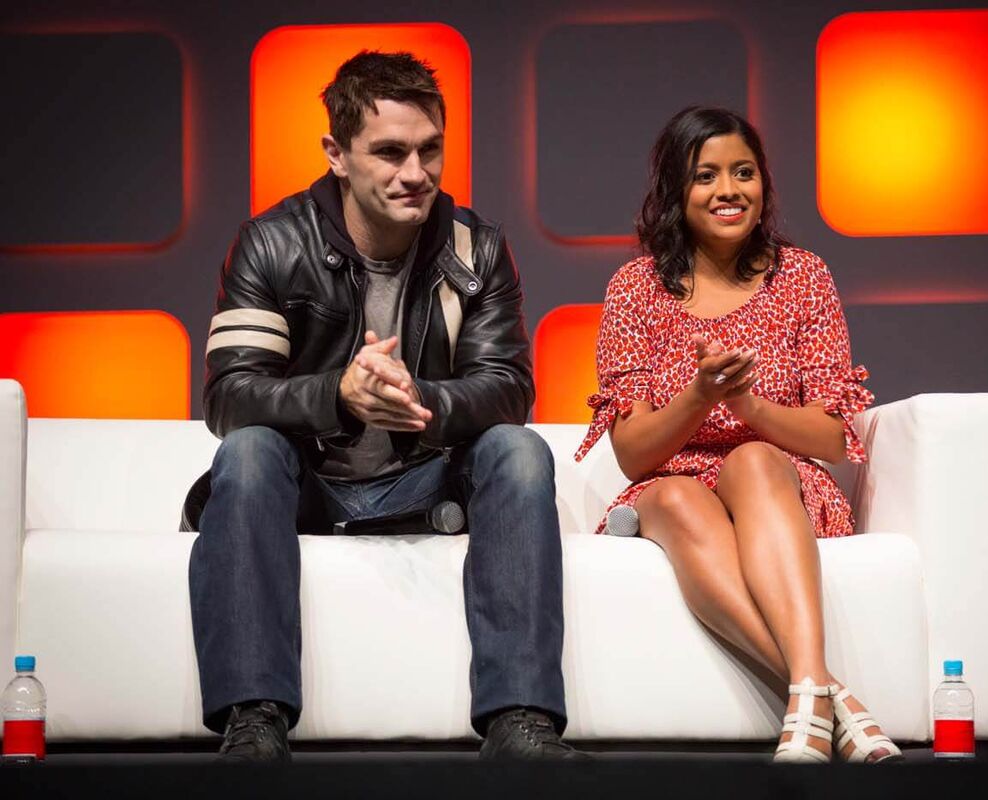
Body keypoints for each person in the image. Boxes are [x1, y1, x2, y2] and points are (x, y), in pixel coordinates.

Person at [185, 51, 581, 761]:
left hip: (426, 482)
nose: (416, 173)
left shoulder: (478, 249)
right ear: (337, 153)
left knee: (519, 450)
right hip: (309, 484)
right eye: (391, 152)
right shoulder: (271, 243)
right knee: (245, 450)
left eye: (431, 150)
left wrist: (418, 398)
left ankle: (522, 721)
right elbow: (228, 396)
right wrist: (339, 394)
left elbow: (509, 387)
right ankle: (254, 721)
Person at [575, 106, 901, 764]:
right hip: (676, 482)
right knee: (666, 497)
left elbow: (833, 439)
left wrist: (748, 404)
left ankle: (808, 694)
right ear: (675, 192)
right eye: (706, 176)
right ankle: (826, 694)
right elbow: (634, 452)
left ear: (764, 185)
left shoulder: (803, 277)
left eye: (744, 173)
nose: (729, 190)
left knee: (752, 459)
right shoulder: (636, 289)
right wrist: (699, 397)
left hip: (779, 482)